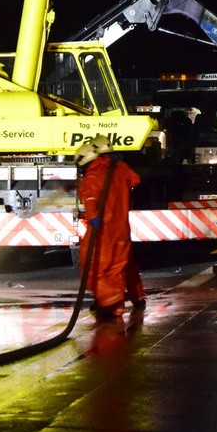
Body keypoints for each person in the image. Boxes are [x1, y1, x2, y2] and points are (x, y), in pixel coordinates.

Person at [75, 134, 146, 320]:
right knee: (121, 264)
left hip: (102, 229)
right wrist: (119, 166)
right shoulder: (118, 169)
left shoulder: (93, 175)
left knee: (97, 266)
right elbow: (135, 179)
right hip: (121, 227)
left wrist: (92, 217)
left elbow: (90, 199)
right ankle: (128, 302)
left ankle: (110, 302)